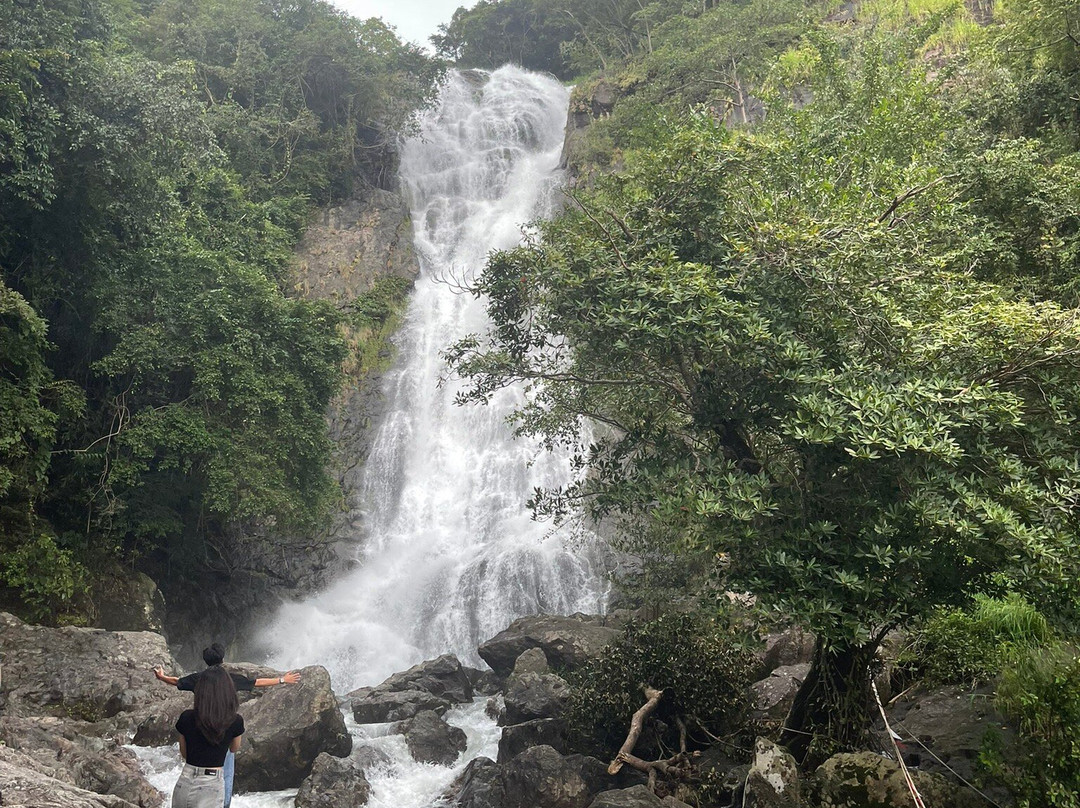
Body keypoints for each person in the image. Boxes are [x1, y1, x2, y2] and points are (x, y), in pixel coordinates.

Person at [153, 644, 300, 808]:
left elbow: (177, 681)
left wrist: (162, 677)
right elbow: (256, 682)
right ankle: (225, 803)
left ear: (205, 660)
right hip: (222, 737)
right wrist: (282, 680)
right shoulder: (231, 686)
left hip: (189, 772)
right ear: (222, 659)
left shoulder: (196, 685)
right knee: (226, 770)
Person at [173, 666, 244, 808]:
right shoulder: (235, 721)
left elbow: (184, 753)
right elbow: (234, 748)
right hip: (211, 783)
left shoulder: (186, 717)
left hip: (185, 780)